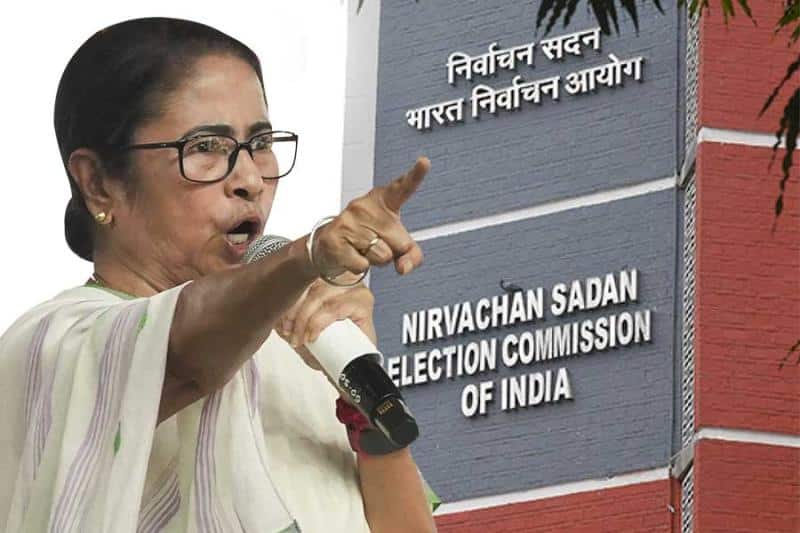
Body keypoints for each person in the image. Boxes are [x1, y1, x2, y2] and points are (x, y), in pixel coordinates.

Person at [0, 17, 437, 533]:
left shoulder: (300, 355)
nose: (250, 179)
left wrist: (361, 407)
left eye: (261, 143)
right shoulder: (52, 344)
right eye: (206, 147)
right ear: (98, 183)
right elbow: (179, 353)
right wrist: (304, 260)